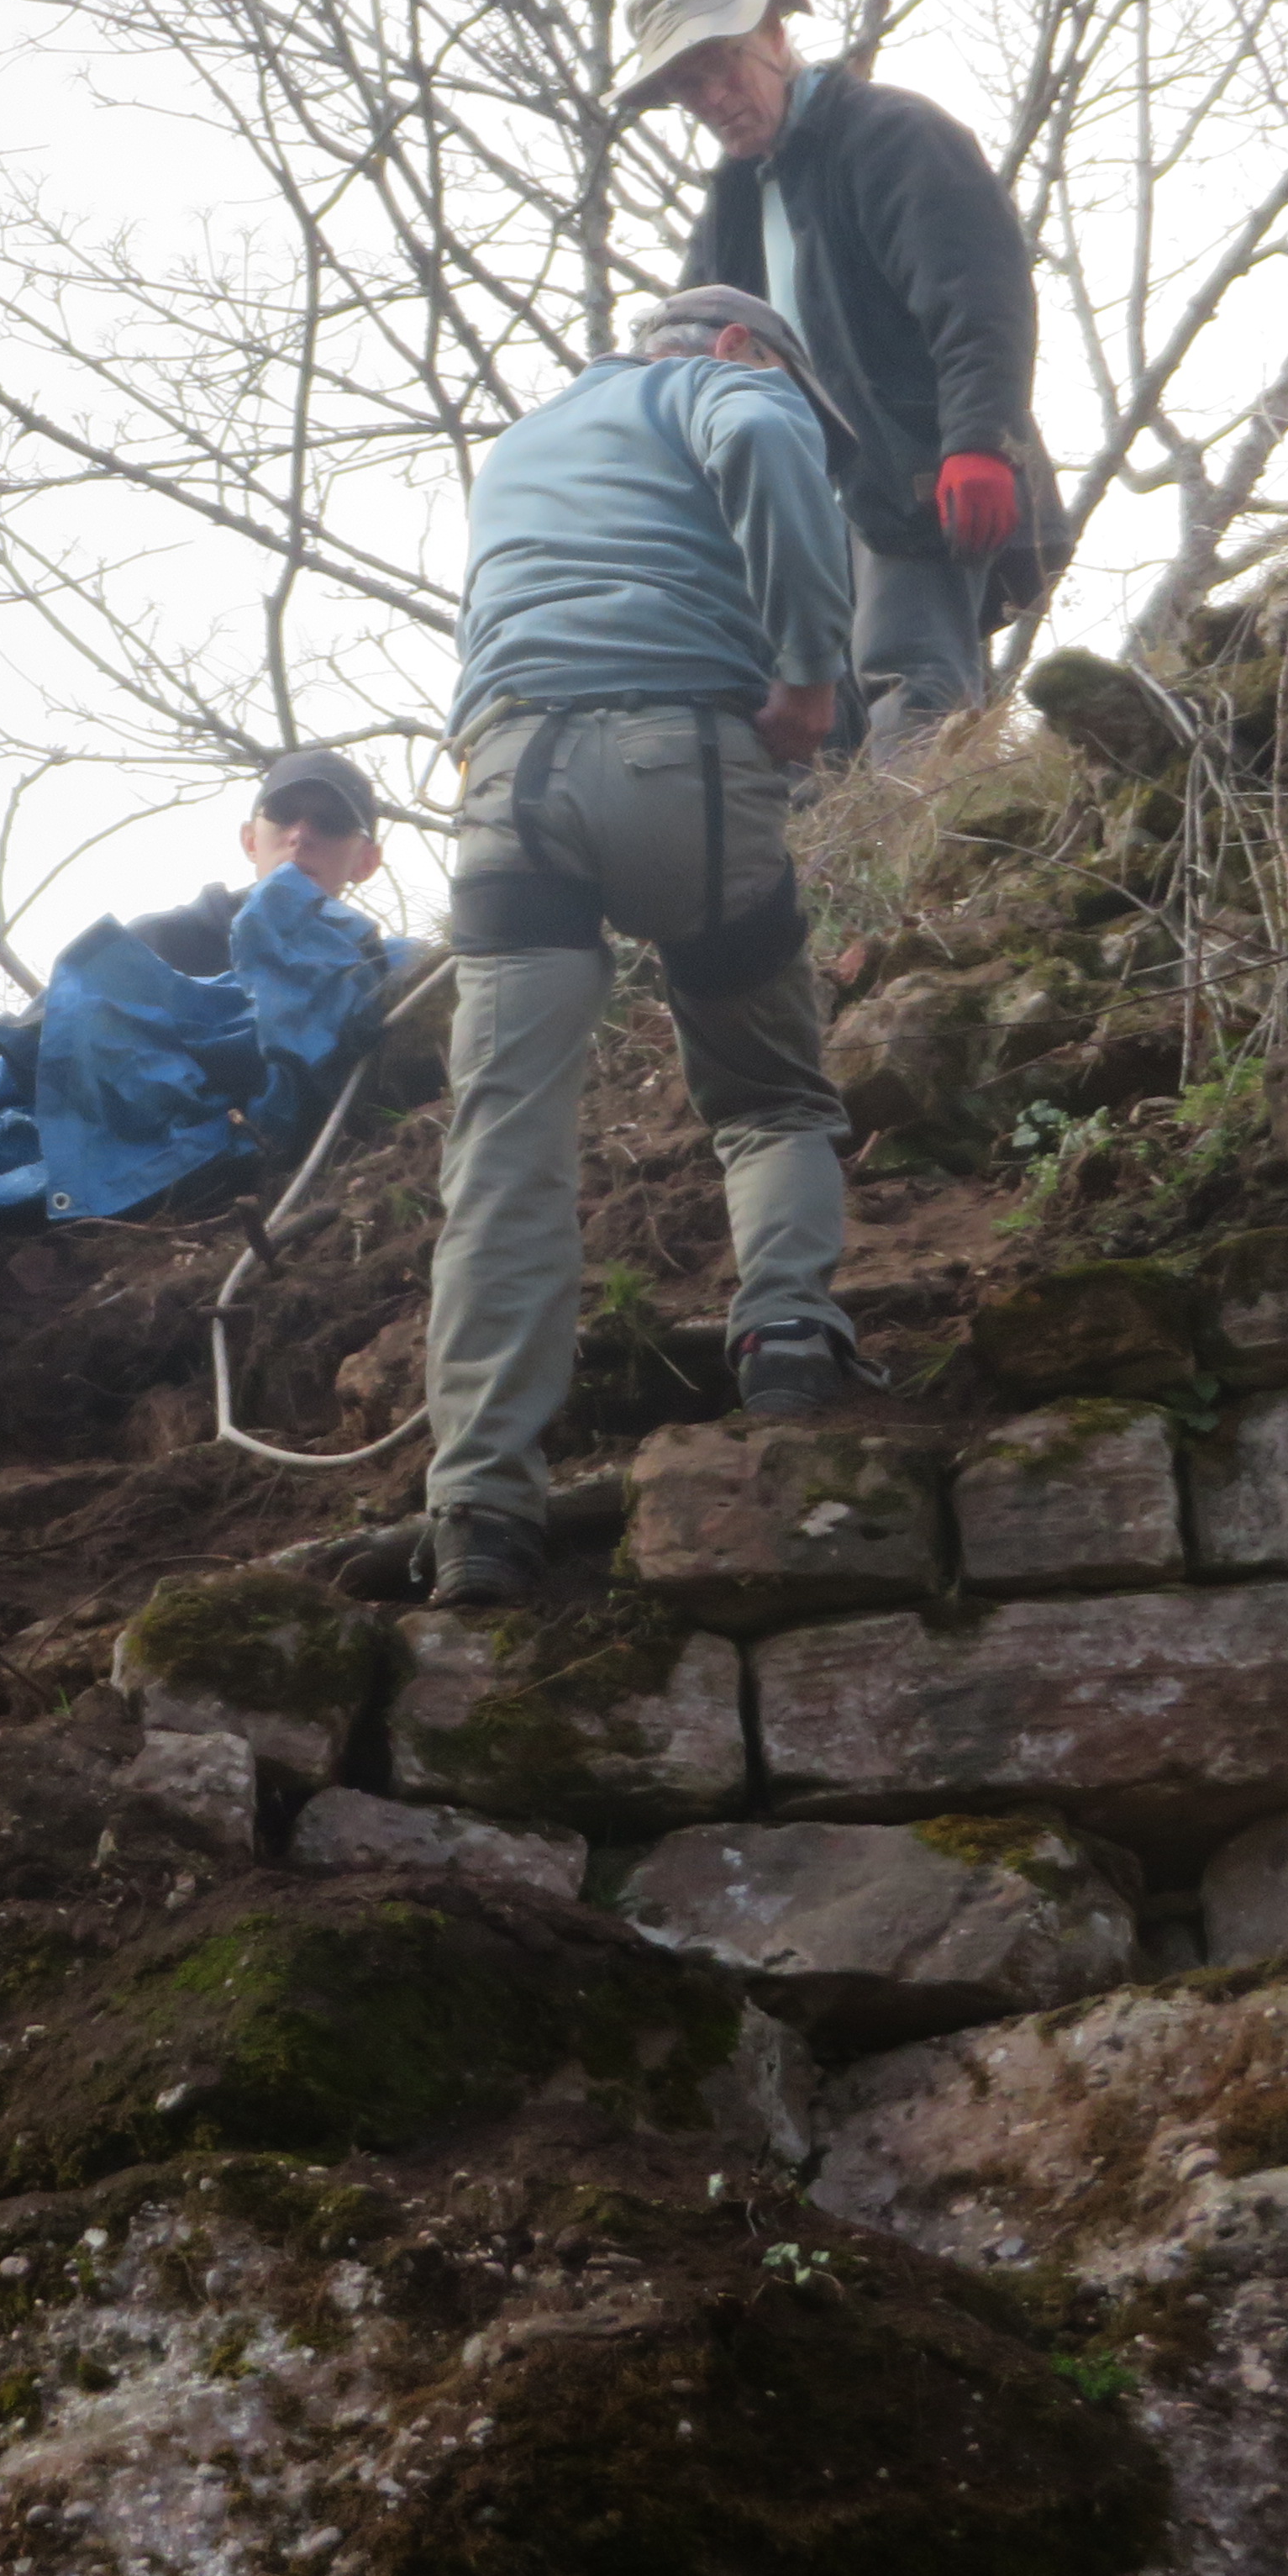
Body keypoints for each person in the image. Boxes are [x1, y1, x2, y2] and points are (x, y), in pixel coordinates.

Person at [419, 286, 864, 1609]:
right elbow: (769, 443)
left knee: (503, 1148)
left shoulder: (529, 438)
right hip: (683, 762)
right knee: (768, 1091)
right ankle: (787, 1336)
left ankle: (480, 1507)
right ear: (737, 346)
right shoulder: (726, 388)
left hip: (509, 785)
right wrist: (809, 677)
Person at [623, 0, 1049, 760]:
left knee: (913, 692)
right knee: (817, 746)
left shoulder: (891, 135)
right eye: (687, 87)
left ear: (775, 35)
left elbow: (979, 298)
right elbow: (683, 369)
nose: (713, 99)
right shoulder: (731, 206)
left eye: (721, 67)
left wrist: (980, 442)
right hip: (794, 513)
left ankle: (931, 840)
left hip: (914, 478)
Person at [0, 748, 392, 1142]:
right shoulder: (164, 943)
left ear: (367, 861)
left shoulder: (379, 984)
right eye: (283, 815)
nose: (301, 835)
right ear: (250, 840)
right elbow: (25, 1041)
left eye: (330, 822)